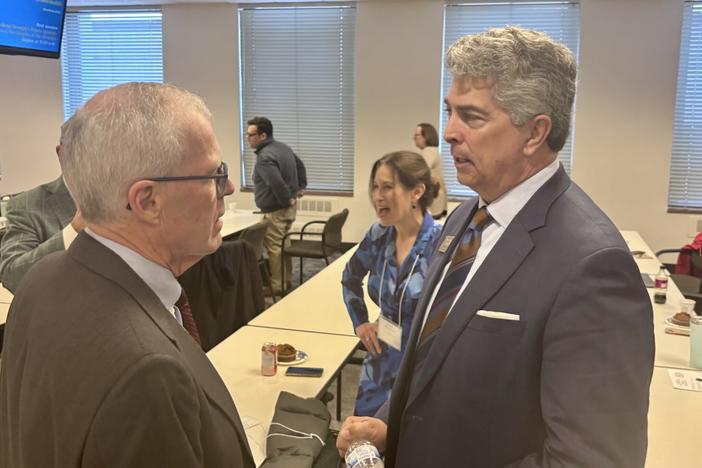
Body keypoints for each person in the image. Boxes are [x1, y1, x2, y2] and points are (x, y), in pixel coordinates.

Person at [337, 26, 654, 467]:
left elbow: (590, 459)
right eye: (449, 112)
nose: (448, 132)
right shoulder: (467, 215)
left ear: (534, 133)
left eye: (471, 117)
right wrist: (391, 424)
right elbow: (433, 353)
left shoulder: (593, 267)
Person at [0, 82, 254, 468]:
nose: (229, 188)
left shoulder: (42, 280)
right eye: (214, 175)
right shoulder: (148, 371)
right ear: (147, 201)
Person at [342, 151, 442, 417]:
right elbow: (349, 279)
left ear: (417, 192)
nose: (378, 196)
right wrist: (360, 322)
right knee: (363, 443)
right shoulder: (379, 235)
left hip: (422, 368)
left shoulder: (440, 244)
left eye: (387, 187)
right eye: (375, 187)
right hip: (380, 361)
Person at [0, 145, 84, 293]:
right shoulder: (26, 205)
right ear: (63, 153)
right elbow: (12, 276)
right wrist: (74, 229)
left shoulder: (129, 201)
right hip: (62, 312)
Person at [247, 116, 307, 294]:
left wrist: (286, 199)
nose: (248, 138)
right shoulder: (283, 148)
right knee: (283, 245)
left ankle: (277, 286)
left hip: (276, 210)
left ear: (263, 135)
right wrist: (299, 189)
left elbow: (276, 183)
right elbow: (300, 167)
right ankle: (286, 280)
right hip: (287, 209)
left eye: (251, 135)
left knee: (274, 249)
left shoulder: (265, 157)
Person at [413, 123, 448, 219]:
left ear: (426, 137)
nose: (414, 138)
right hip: (437, 199)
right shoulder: (434, 151)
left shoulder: (429, 151)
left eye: (417, 135)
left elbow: (420, 172)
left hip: (432, 201)